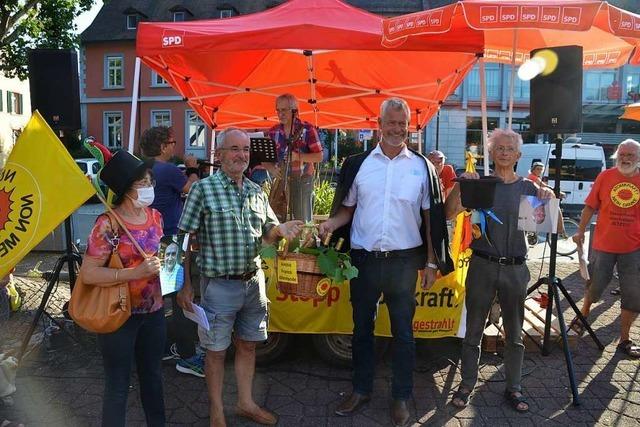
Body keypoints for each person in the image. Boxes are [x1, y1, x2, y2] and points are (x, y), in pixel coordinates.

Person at [318, 98, 453, 427]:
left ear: (409, 125)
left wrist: (432, 263)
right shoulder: (358, 163)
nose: (397, 129)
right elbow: (348, 208)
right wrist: (331, 224)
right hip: (363, 260)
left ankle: (401, 396)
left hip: (404, 262)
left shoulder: (421, 166)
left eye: (402, 123)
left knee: (403, 334)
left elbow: (431, 218)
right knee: (361, 330)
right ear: (379, 125)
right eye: (391, 123)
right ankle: (361, 389)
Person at [176, 128, 304, 427]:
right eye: (234, 149)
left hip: (253, 283)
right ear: (219, 154)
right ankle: (217, 411)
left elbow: (268, 233)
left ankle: (246, 403)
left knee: (248, 345)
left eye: (245, 150)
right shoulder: (203, 190)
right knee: (216, 351)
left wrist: (281, 231)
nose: (241, 155)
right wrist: (185, 284)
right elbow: (184, 239)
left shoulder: (255, 191)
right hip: (218, 285)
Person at [446, 129, 554, 413]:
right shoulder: (481, 184)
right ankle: (467, 383)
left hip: (516, 268)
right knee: (473, 330)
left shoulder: (529, 189)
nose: (505, 153)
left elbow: (546, 221)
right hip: (481, 264)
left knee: (515, 334)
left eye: (510, 149)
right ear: (491, 153)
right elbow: (448, 213)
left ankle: (514, 387)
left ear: (518, 156)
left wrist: (549, 193)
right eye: (499, 148)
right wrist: (460, 186)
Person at [79, 150, 165, 427]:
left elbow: (159, 256)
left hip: (153, 312)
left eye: (150, 180)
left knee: (153, 378)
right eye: (142, 183)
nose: (149, 187)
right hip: (118, 314)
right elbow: (89, 273)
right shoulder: (107, 224)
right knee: (118, 384)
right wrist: (133, 273)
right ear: (126, 190)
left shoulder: (156, 217)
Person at [139, 126, 203, 376]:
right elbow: (193, 189)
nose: (175, 146)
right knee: (180, 296)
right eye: (173, 142)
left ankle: (158, 347)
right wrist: (193, 168)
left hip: (150, 238)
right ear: (163, 146)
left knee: (156, 296)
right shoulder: (166, 169)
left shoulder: (146, 168)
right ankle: (186, 355)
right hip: (171, 240)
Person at [571, 139, 640, 359]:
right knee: (596, 285)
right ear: (616, 155)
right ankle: (583, 316)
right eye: (622, 154)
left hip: (634, 247)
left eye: (630, 155)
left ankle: (625, 338)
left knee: (632, 293)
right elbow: (590, 206)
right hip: (603, 244)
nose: (626, 158)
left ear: (638, 158)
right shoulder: (605, 176)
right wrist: (580, 232)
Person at [262, 93, 323, 222]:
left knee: (301, 222)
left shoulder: (307, 129)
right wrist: (272, 169)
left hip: (302, 182)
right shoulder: (273, 131)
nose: (280, 114)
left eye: (284, 110)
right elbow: (264, 159)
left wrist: (299, 157)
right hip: (280, 182)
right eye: (278, 110)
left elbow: (319, 157)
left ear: (295, 111)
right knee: (277, 221)